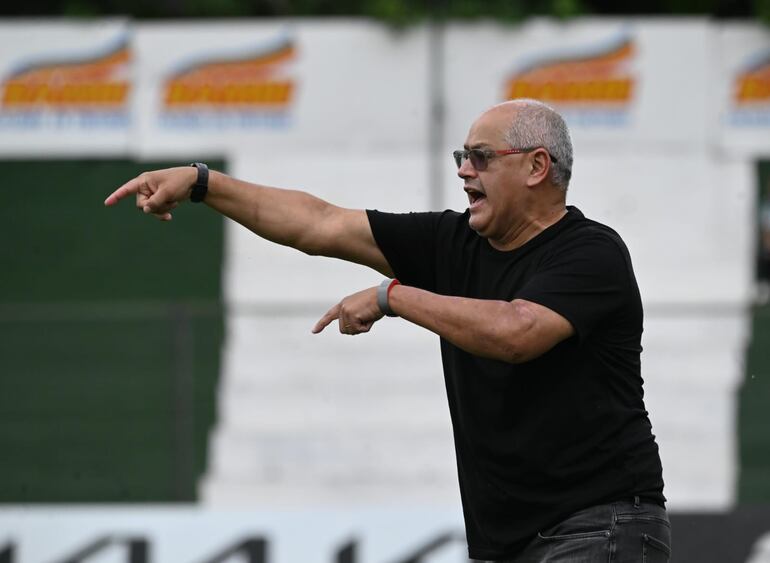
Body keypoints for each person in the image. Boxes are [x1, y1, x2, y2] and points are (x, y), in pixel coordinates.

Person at [105, 99, 670, 562]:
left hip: (600, 525)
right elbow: (319, 223)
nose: (462, 170)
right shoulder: (454, 243)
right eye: (460, 155)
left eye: (479, 156)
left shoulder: (592, 253)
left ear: (536, 167)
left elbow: (515, 333)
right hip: (509, 542)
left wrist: (391, 296)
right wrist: (204, 183)